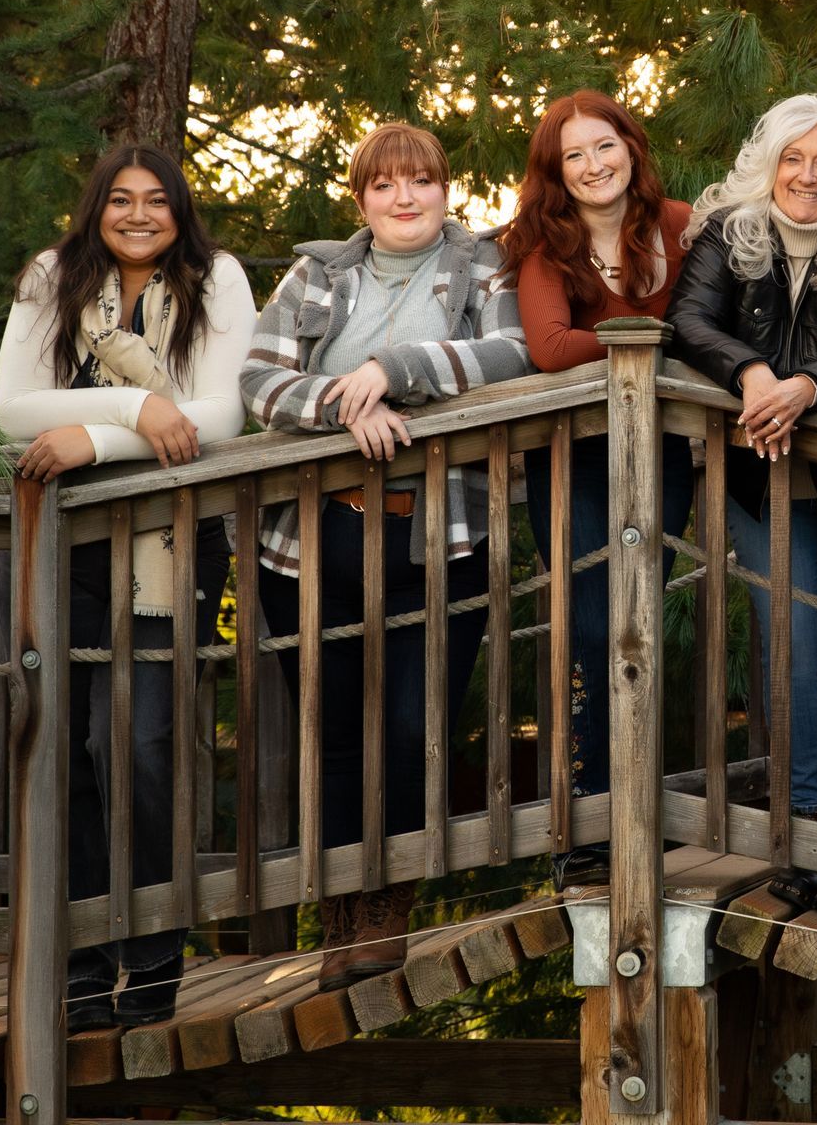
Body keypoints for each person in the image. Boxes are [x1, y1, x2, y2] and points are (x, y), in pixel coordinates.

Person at [242, 122, 528, 991]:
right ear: (360, 197)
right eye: (385, 185)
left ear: (447, 189)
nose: (404, 198)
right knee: (330, 728)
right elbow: (256, 378)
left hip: (441, 534)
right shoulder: (317, 274)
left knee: (412, 725)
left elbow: (514, 355)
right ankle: (335, 906)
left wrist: (396, 369)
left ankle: (385, 906)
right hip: (311, 535)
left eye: (422, 182)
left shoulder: (484, 268)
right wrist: (343, 402)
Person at [0, 143, 256, 1030]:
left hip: (171, 546)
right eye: (119, 200)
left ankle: (150, 957)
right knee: (60, 749)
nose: (138, 215)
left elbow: (222, 415)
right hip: (56, 545)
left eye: (157, 200)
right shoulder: (53, 275)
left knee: (139, 746)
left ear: (181, 210)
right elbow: (13, 407)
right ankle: (74, 969)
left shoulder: (216, 281)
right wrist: (140, 409)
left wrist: (96, 442)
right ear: (94, 207)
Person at [666, 89, 817, 929]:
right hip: (755, 478)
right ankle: (806, 839)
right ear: (769, 163)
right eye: (793, 159)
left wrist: (805, 384)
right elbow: (687, 321)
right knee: (794, 653)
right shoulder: (729, 234)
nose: (807, 175)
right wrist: (752, 375)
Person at [502, 90, 696, 889]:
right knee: (589, 630)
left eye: (603, 146)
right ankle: (583, 825)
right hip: (576, 461)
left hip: (667, 457)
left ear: (631, 147)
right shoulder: (543, 245)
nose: (592, 165)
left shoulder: (683, 227)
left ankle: (639, 813)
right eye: (572, 155)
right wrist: (658, 342)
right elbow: (548, 347)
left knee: (642, 626)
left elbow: (721, 321)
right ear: (556, 173)